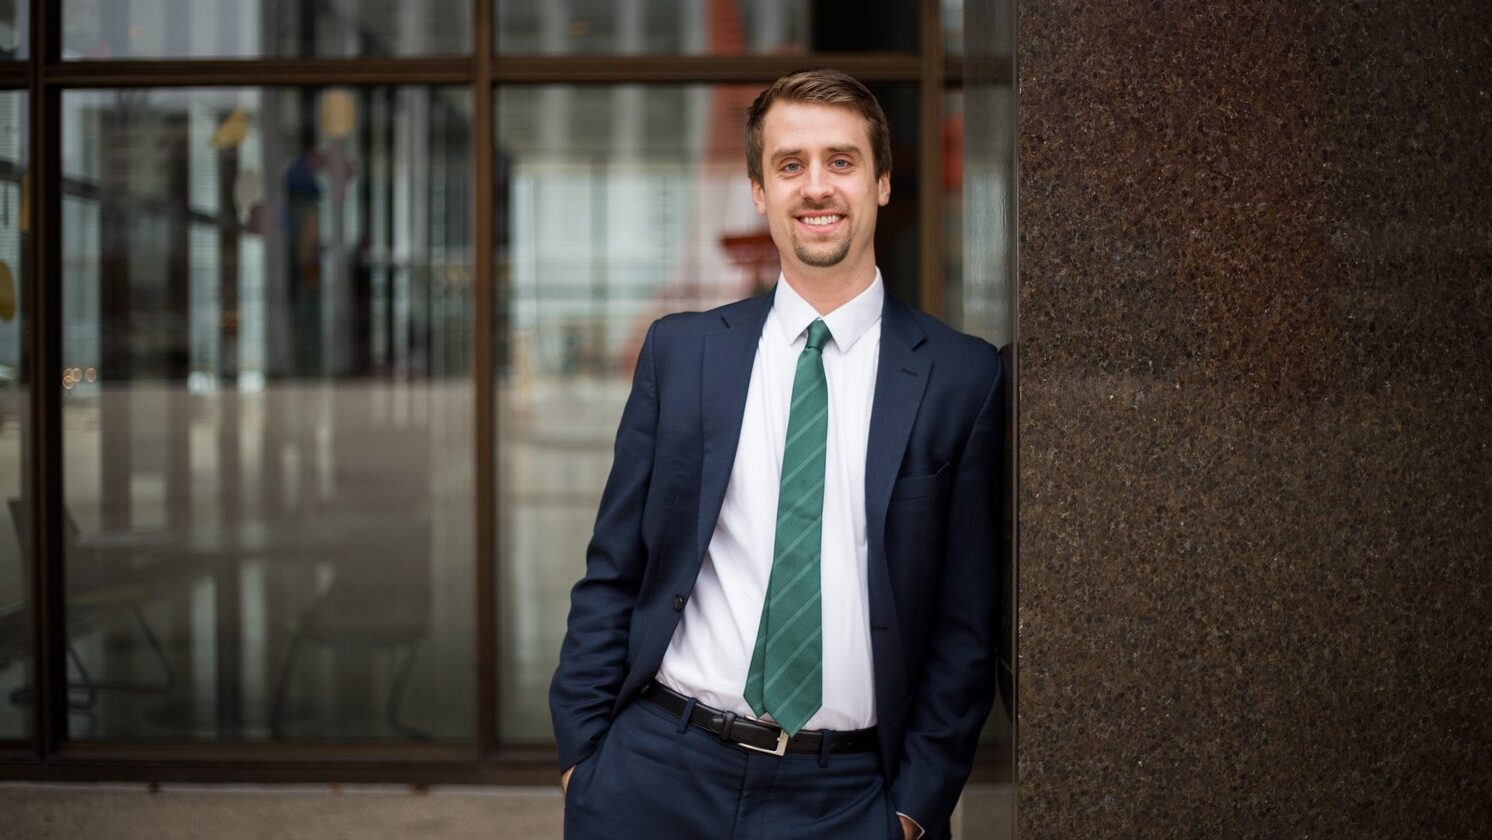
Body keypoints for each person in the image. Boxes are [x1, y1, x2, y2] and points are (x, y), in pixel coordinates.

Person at [551, 69, 1005, 840]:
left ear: (883, 183)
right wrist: (584, 760)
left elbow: (967, 628)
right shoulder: (683, 354)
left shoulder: (961, 378)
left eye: (841, 161)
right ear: (759, 191)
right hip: (656, 772)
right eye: (790, 165)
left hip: (848, 797)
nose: (816, 187)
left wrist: (911, 810)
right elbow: (614, 569)